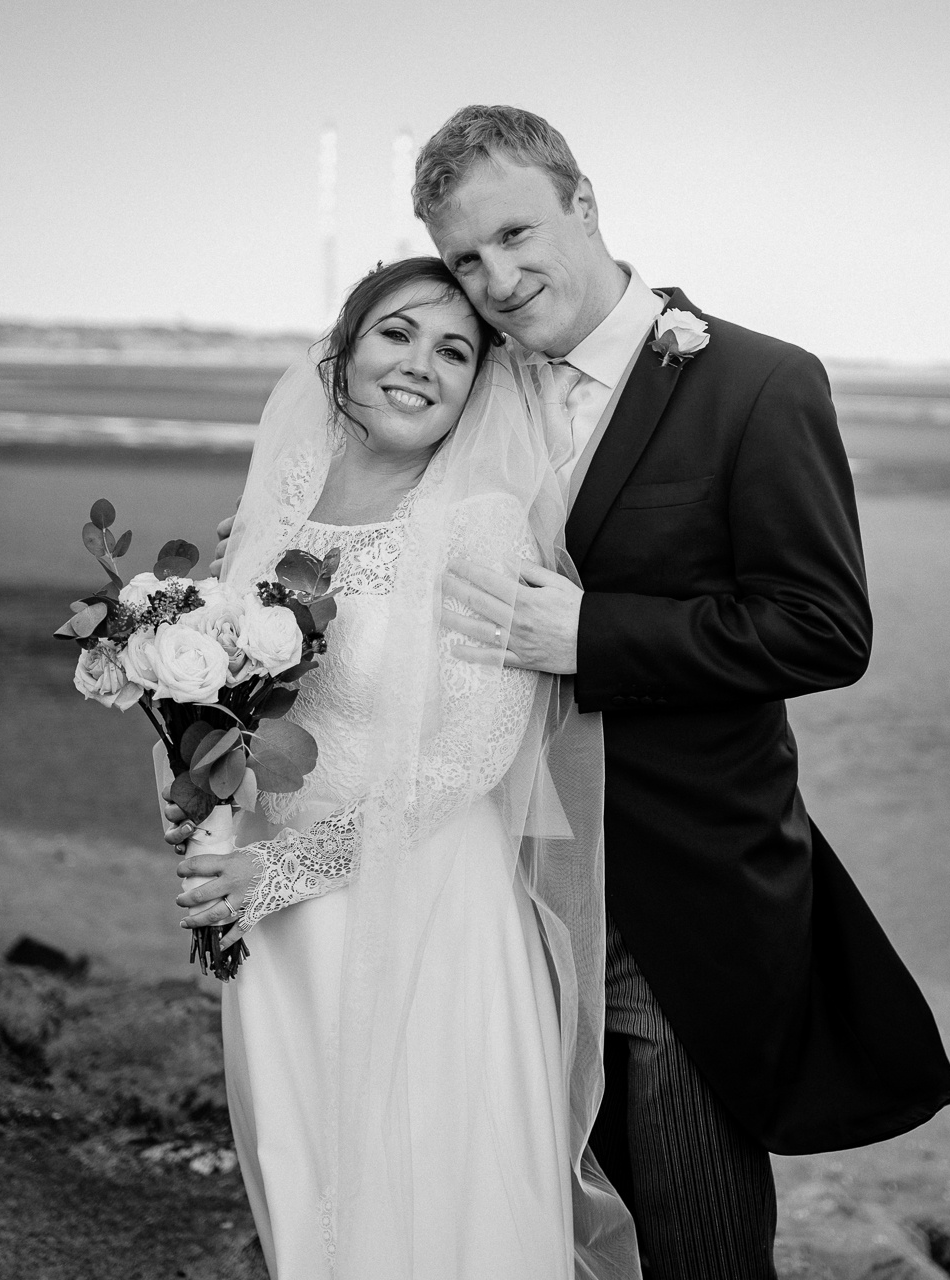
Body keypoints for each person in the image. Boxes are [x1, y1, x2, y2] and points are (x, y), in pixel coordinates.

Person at [416, 106, 950, 1277]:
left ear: (584, 201)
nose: (501, 279)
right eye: (468, 260)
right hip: (499, 888)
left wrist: (594, 633)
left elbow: (823, 629)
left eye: (518, 232)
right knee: (552, 1233)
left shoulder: (760, 383)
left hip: (677, 891)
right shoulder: (472, 394)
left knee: (696, 1243)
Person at [164, 256, 639, 1279]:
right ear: (342, 351)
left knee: (430, 1189)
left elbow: (476, 750)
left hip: (419, 898)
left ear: (478, 387)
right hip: (276, 911)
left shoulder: (479, 523)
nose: (422, 363)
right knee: (310, 1181)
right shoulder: (274, 511)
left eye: (455, 350)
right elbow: (223, 701)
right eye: (397, 333)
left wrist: (281, 873)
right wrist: (199, 798)